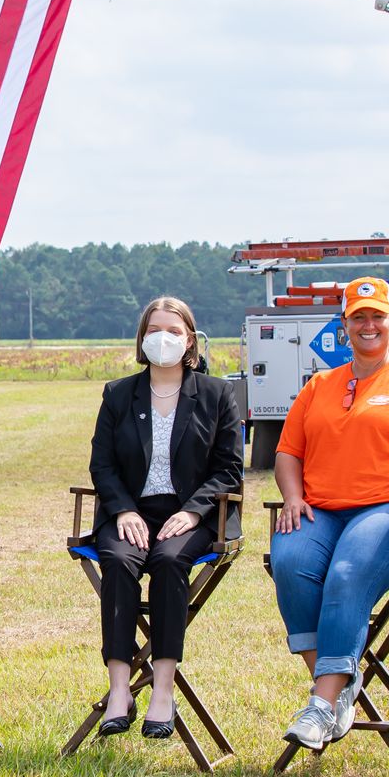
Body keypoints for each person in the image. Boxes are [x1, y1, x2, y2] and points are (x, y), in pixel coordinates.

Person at [269, 277, 389, 751]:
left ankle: (320, 705)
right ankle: (340, 686)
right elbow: (288, 453)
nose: (369, 325)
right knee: (289, 560)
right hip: (324, 509)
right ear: (344, 324)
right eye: (359, 317)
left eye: (378, 316)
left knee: (348, 572)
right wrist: (292, 497)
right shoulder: (319, 386)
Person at [89, 296, 243, 739]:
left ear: (190, 340)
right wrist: (123, 509)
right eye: (154, 330)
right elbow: (102, 465)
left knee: (170, 561)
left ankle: (162, 690)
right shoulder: (118, 394)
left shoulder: (217, 395)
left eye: (173, 331)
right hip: (131, 512)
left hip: (193, 515)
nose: (163, 338)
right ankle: (120, 689)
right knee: (118, 561)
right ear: (141, 338)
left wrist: (193, 512)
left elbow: (229, 469)